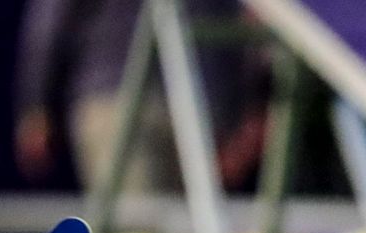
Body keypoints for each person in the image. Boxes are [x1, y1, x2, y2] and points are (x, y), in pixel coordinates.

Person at [14, 0, 264, 192]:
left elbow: (249, 22)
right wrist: (35, 107)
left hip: (200, 112)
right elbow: (50, 19)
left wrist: (242, 121)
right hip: (116, 103)